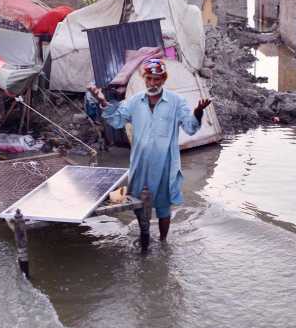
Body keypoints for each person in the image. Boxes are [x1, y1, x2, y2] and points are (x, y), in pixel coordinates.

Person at [88, 58, 211, 242]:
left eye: (157, 79)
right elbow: (117, 119)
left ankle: (163, 241)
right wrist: (103, 101)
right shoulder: (135, 101)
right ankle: (144, 234)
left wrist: (198, 112)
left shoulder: (177, 101)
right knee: (138, 203)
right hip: (140, 164)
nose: (153, 83)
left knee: (163, 207)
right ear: (144, 78)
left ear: (163, 79)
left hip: (164, 165)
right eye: (149, 79)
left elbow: (190, 127)